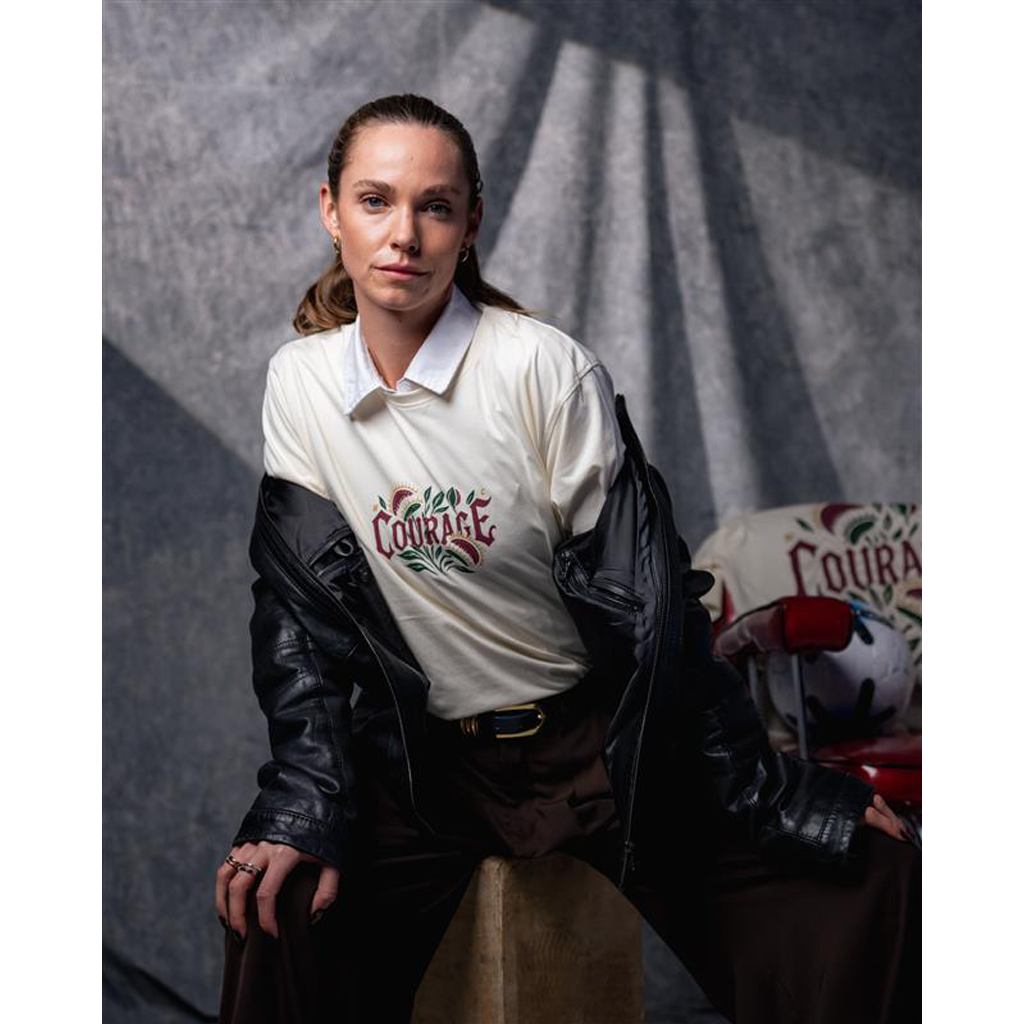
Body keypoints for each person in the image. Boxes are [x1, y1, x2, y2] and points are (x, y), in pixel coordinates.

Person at [215, 93, 920, 1024]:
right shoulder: (299, 385)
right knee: (274, 905)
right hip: (430, 770)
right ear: (330, 211)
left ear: (471, 223)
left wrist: (757, 782)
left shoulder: (543, 369)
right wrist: (304, 801)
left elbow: (653, 608)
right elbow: (296, 620)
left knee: (873, 876)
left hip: (598, 753)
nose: (404, 235)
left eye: (436, 206)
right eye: (376, 201)